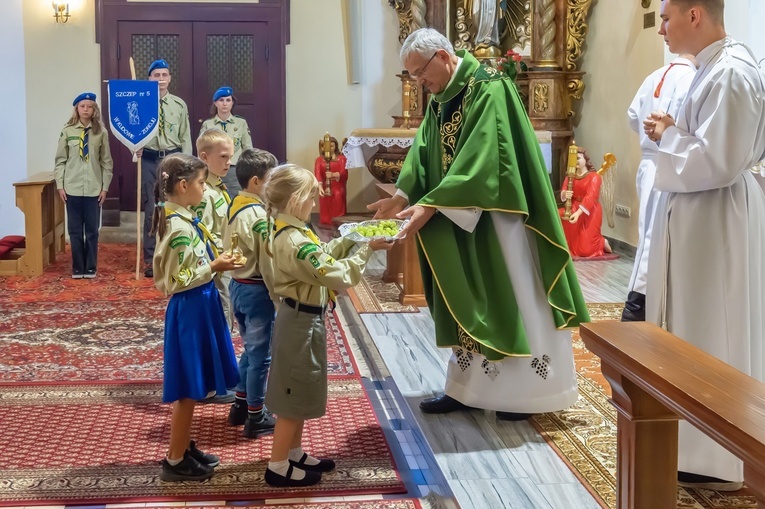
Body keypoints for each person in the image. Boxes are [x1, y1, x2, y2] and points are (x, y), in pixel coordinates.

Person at [368, 28, 589, 420]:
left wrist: (430, 206)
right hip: (454, 216)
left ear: (442, 56)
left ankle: (525, 394)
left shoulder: (490, 89)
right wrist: (401, 198)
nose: (419, 83)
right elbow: (422, 151)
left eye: (420, 72)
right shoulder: (441, 99)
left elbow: (485, 159)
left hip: (498, 221)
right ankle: (467, 388)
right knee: (465, 296)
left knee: (510, 293)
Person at [645, 0, 765, 491]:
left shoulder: (732, 72)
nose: (662, 31)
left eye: (667, 18)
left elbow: (719, 161)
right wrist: (674, 135)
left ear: (696, 15)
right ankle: (695, 443)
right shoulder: (710, 67)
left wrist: (670, 135)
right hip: (701, 214)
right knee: (694, 327)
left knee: (716, 325)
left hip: (718, 216)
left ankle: (722, 455)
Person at [261, 164, 393, 487]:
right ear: (295, 200)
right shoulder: (293, 240)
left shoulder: (295, 229)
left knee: (304, 386)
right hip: (298, 323)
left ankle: (294, 452)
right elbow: (335, 274)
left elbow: (324, 254)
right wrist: (366, 250)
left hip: (306, 319)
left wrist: (356, 235)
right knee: (292, 396)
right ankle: (277, 466)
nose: (316, 201)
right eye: (311, 196)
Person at [150, 154, 241, 482]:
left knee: (197, 382)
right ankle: (174, 460)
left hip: (200, 303)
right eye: (202, 183)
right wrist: (213, 268)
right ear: (184, 186)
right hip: (190, 308)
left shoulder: (185, 218)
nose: (205, 189)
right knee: (189, 387)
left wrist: (218, 259)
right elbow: (176, 280)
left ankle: (184, 445)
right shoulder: (178, 229)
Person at [621, 54, 696, 321]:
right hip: (667, 160)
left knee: (648, 235)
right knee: (655, 237)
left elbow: (633, 116)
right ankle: (637, 306)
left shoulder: (655, 75)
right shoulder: (690, 77)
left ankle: (642, 303)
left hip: (649, 164)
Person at [224, 148, 279, 438]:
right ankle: (257, 416)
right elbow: (267, 261)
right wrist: (277, 296)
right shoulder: (257, 215)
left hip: (238, 284)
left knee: (250, 349)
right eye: (271, 179)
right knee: (262, 357)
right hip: (257, 289)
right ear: (256, 182)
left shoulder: (236, 204)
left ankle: (241, 404)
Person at [141, 59, 192, 278]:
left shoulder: (179, 105)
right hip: (150, 159)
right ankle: (151, 258)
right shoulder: (142, 102)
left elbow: (185, 135)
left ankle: (175, 253)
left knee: (175, 207)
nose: (160, 79)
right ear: (149, 79)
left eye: (164, 75)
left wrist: (187, 163)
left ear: (169, 78)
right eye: (156, 75)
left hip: (173, 159)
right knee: (153, 209)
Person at [54, 92, 114, 279]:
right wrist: (60, 185)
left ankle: (90, 267)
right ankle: (77, 267)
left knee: (92, 230)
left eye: (90, 106)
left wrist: (104, 188)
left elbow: (106, 162)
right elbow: (60, 161)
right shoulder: (67, 131)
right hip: (72, 187)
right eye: (82, 106)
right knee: (74, 230)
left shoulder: (100, 133)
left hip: (94, 189)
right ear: (77, 109)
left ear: (94, 109)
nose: (86, 109)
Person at [194, 128, 235, 331]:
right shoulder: (204, 193)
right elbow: (202, 235)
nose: (229, 162)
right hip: (217, 263)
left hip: (227, 258)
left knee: (229, 308)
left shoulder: (218, 186)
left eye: (230, 157)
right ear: (205, 157)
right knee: (223, 311)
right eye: (223, 157)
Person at [199, 86, 253, 198]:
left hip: (233, 170)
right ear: (215, 103)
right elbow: (201, 150)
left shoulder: (240, 123)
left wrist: (247, 170)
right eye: (221, 100)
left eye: (228, 100)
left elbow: (247, 148)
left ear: (232, 103)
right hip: (212, 169)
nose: (225, 103)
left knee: (234, 199)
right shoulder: (208, 125)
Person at [558, 147, 612, 258]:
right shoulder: (570, 176)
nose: (575, 161)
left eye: (578, 158)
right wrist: (564, 194)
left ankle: (601, 242)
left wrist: (578, 214)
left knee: (585, 250)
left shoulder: (594, 177)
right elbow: (563, 190)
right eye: (573, 159)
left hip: (589, 211)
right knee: (556, 215)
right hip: (572, 207)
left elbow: (590, 197)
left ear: (585, 160)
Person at [314, 136, 348, 226]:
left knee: (337, 196)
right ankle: (325, 222)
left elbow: (344, 173)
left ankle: (337, 221)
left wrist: (333, 175)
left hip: (338, 185)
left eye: (332, 146)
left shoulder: (341, 159)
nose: (329, 148)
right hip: (325, 184)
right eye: (327, 146)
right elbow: (317, 174)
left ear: (336, 147)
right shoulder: (319, 160)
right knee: (324, 200)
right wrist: (320, 186)